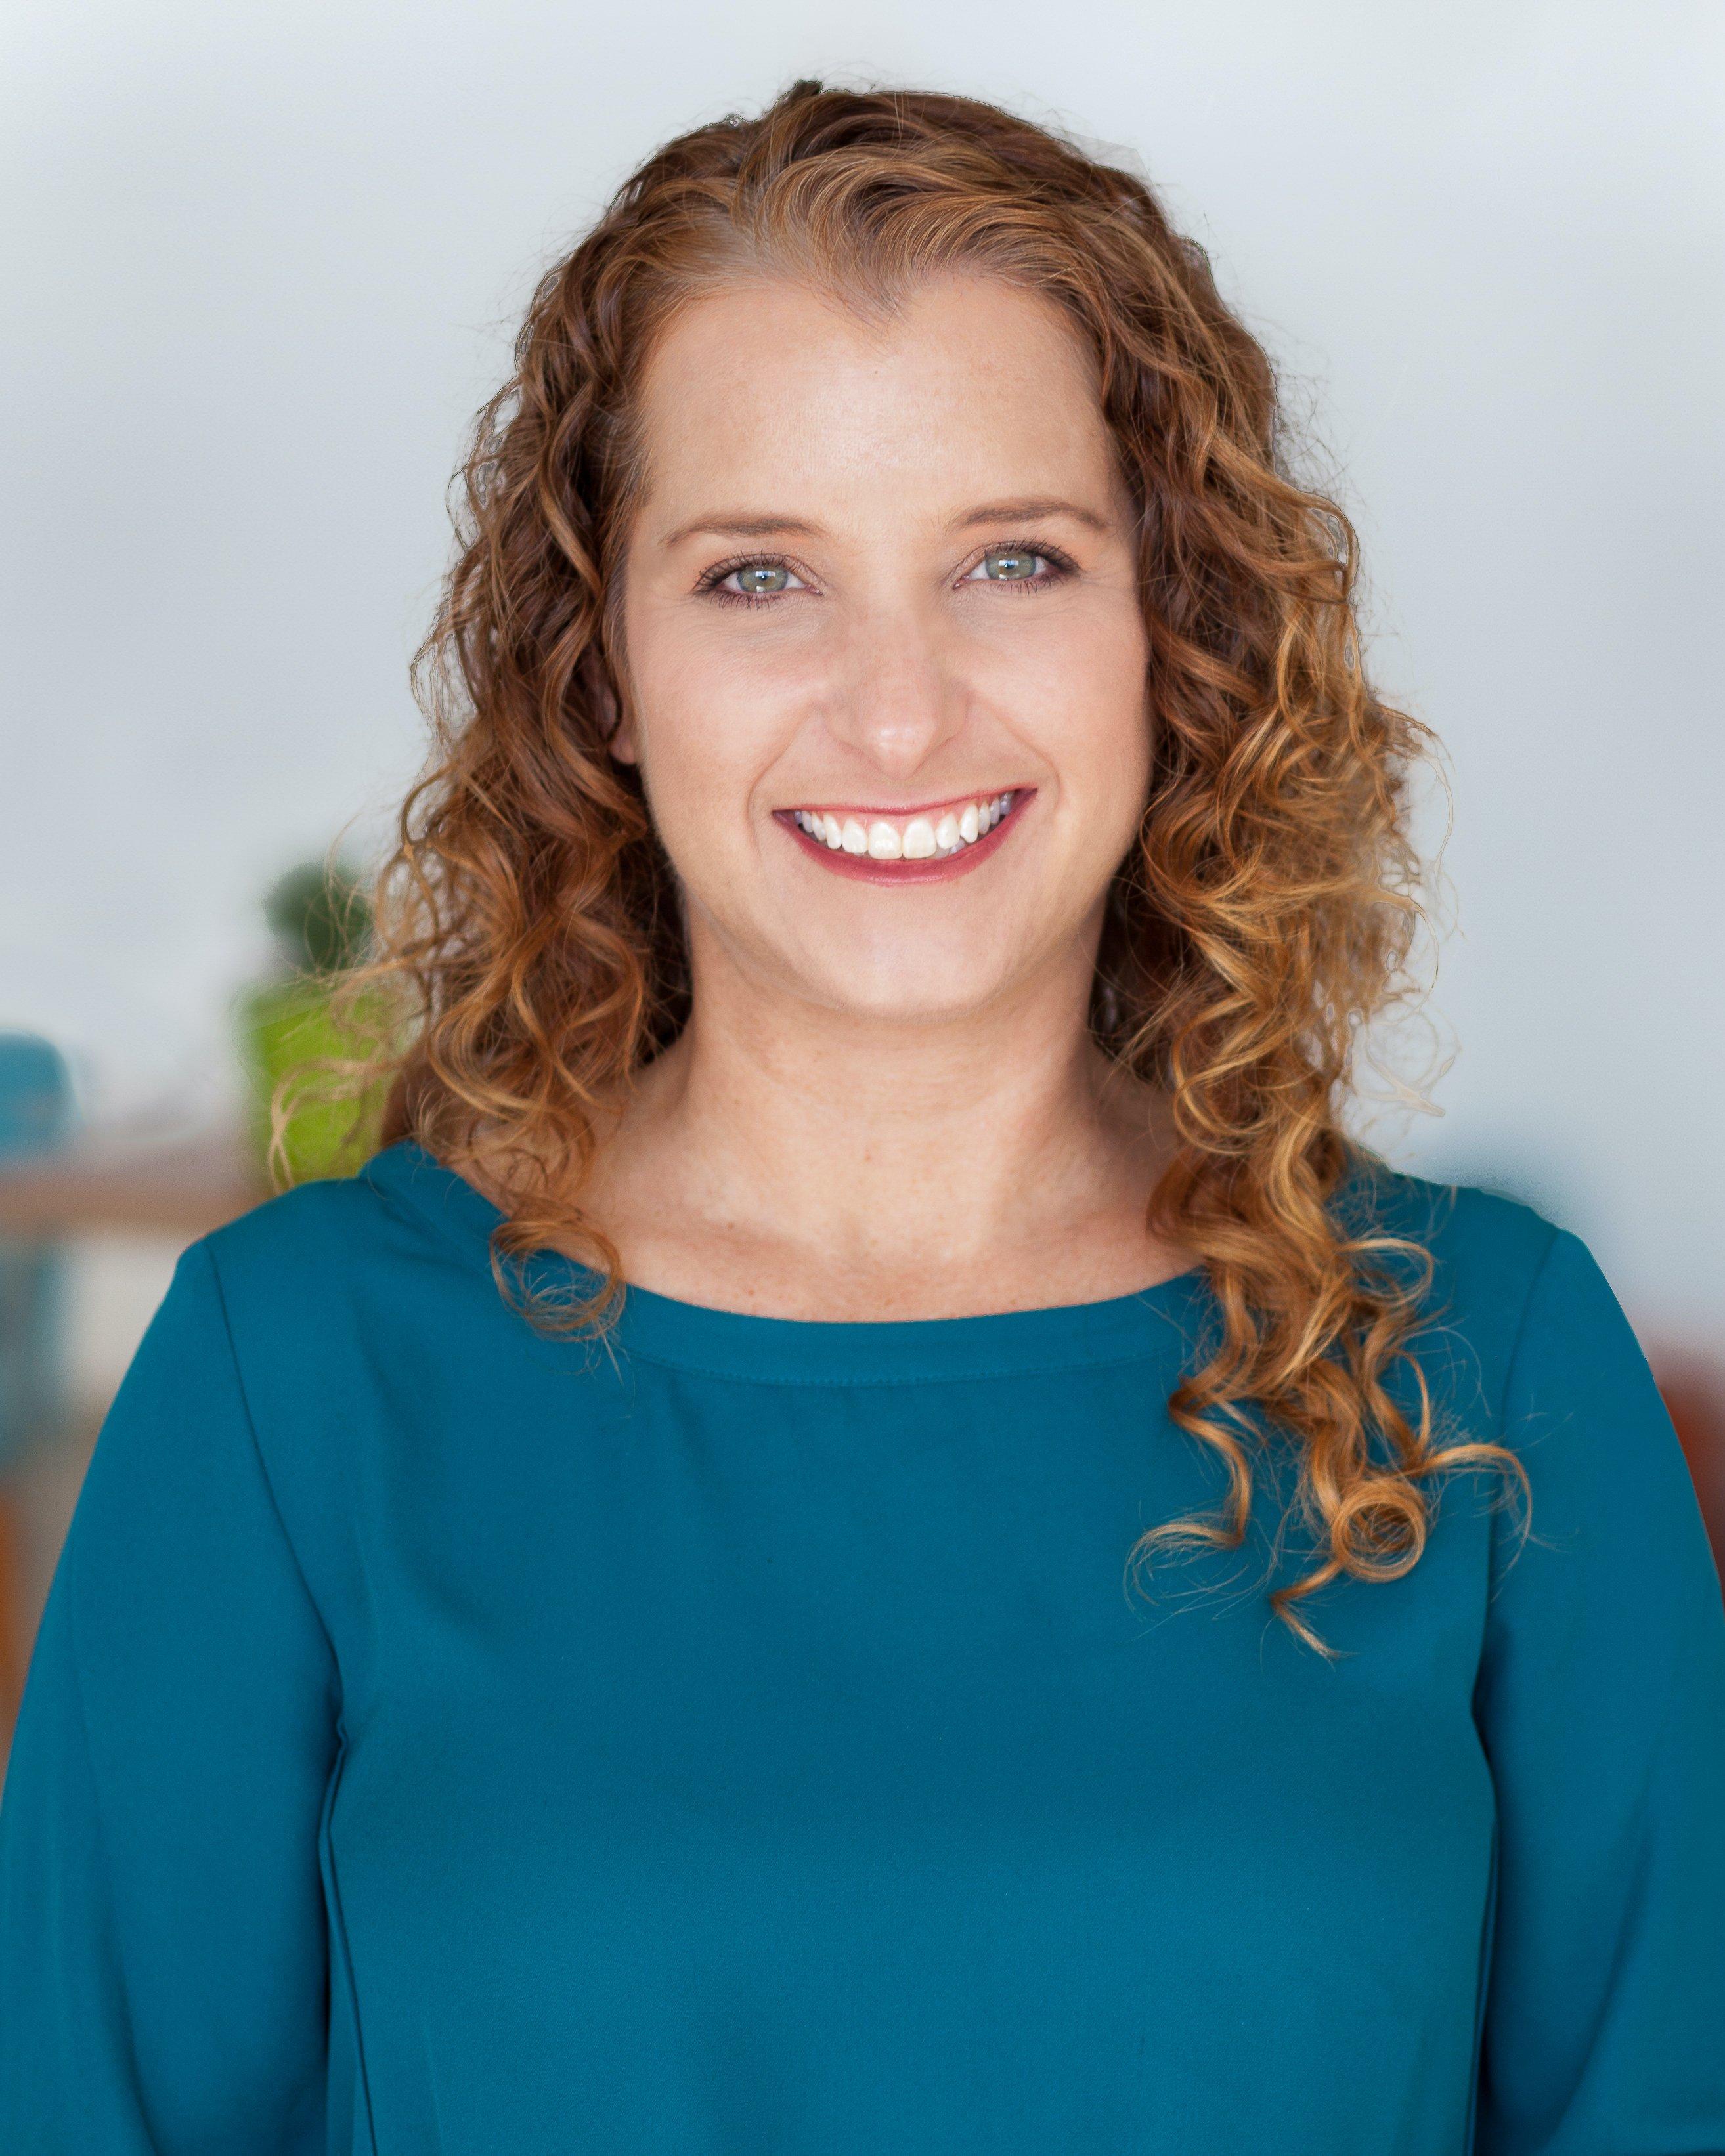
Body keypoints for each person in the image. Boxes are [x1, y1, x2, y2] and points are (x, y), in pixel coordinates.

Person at [3, 77, 1722, 2155]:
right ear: (602, 667)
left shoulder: (1487, 1365)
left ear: (1168, 629)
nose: (897, 710)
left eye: (1012, 558)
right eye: (759, 577)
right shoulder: (294, 1379)